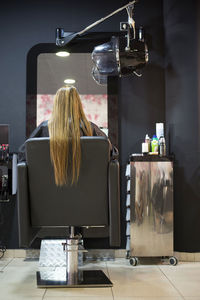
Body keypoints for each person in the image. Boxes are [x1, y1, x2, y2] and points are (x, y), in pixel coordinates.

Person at [18, 86, 118, 185]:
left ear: (57, 104)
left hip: (47, 195)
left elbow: (23, 155)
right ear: (77, 104)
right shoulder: (90, 128)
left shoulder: (43, 129)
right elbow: (112, 153)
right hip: (88, 195)